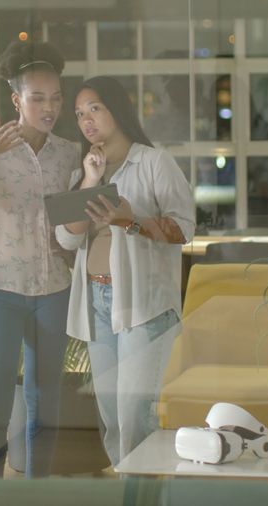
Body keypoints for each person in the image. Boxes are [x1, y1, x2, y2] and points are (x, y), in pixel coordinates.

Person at [0, 41, 80, 477]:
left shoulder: (68, 153)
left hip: (53, 290)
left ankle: (37, 494)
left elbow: (71, 221)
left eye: (56, 97)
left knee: (45, 407)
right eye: (38, 97)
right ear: (16, 100)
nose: (50, 107)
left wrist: (70, 242)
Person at [55, 76, 195, 466]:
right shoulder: (82, 173)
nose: (87, 121)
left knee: (135, 419)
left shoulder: (154, 162)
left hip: (143, 306)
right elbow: (67, 241)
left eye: (94, 109)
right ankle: (130, 491)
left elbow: (184, 228)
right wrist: (90, 180)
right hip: (97, 304)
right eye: (80, 114)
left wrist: (130, 219)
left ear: (118, 108)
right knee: (112, 421)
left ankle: (144, 493)